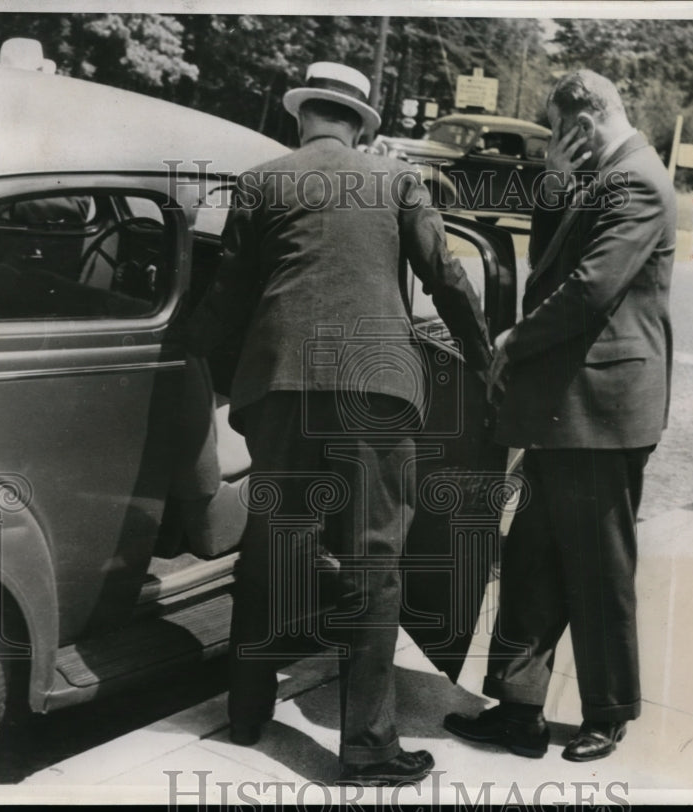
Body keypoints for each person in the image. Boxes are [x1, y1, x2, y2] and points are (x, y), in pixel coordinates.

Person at [186, 62, 491, 786]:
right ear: (361, 124)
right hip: (373, 391)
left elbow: (228, 297)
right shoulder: (396, 180)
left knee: (270, 548)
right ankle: (368, 750)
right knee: (372, 564)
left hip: (280, 388)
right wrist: (485, 360)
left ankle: (247, 713)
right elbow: (447, 277)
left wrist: (188, 357)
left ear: (302, 118)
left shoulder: (260, 182)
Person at [443, 69, 676, 763]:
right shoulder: (605, 177)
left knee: (598, 568)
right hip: (568, 409)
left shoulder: (636, 181)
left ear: (586, 121)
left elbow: (589, 288)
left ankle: (608, 711)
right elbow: (550, 264)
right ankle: (519, 711)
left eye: (556, 130)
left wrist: (513, 341)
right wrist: (552, 182)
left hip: (604, 413)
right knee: (532, 561)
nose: (554, 142)